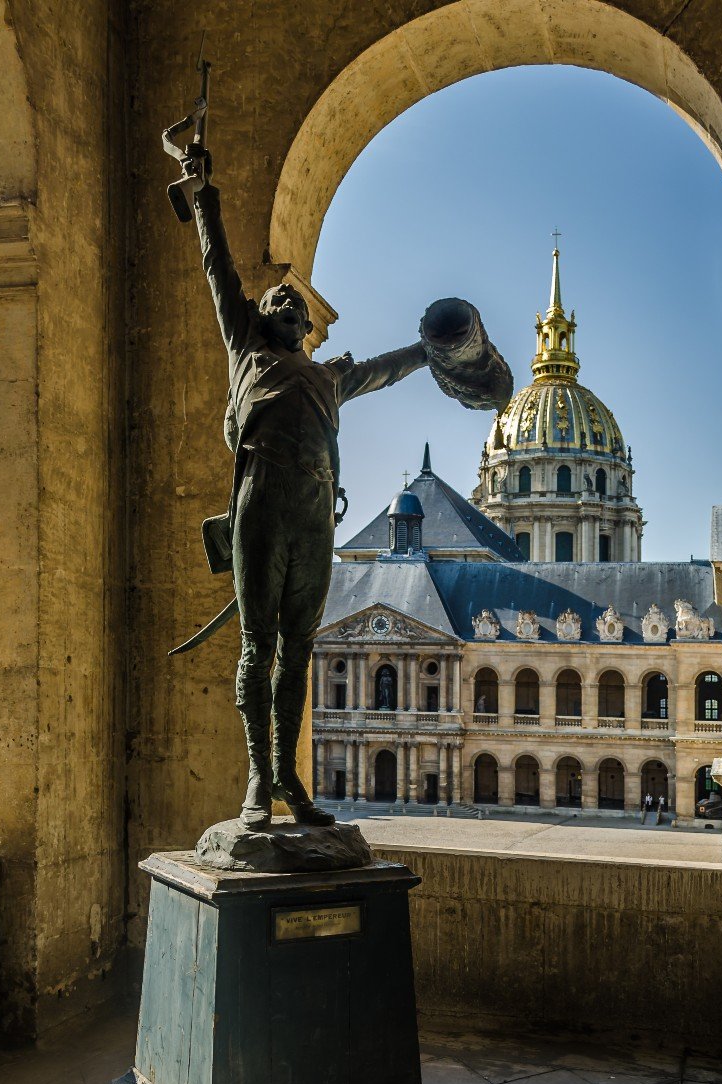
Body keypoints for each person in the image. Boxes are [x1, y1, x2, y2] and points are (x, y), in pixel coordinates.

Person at [188, 160, 503, 830]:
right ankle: (255, 781)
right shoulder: (248, 352)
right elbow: (218, 271)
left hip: (312, 507)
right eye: (275, 303)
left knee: (298, 646)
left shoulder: (326, 378)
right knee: (259, 646)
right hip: (263, 496)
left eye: (294, 305)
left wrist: (436, 348)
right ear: (259, 320)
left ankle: (286, 779)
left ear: (306, 328)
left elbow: (389, 369)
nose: (285, 306)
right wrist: (202, 191)